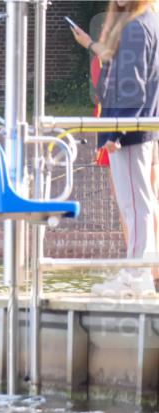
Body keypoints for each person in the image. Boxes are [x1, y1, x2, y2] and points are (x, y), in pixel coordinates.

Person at [70, 0, 159, 296]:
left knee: (134, 204)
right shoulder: (147, 21)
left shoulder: (136, 26)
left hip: (131, 132)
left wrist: (116, 132)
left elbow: (132, 85)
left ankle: (136, 275)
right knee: (138, 203)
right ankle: (139, 272)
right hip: (138, 129)